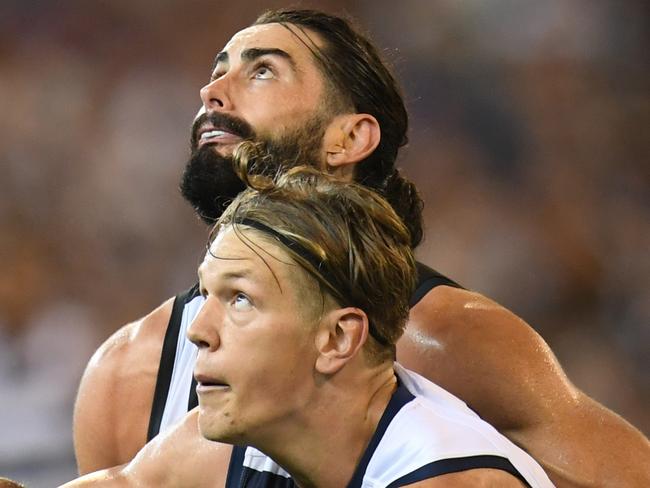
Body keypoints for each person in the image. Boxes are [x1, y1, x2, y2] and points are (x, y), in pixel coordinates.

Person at [72, 8, 650, 487]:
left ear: (350, 136)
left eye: (263, 71)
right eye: (217, 71)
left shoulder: (447, 339)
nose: (211, 91)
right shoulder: (129, 371)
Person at [64, 157, 554, 487]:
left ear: (337, 338)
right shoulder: (255, 437)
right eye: (206, 294)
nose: (197, 330)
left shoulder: (445, 474)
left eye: (239, 299)